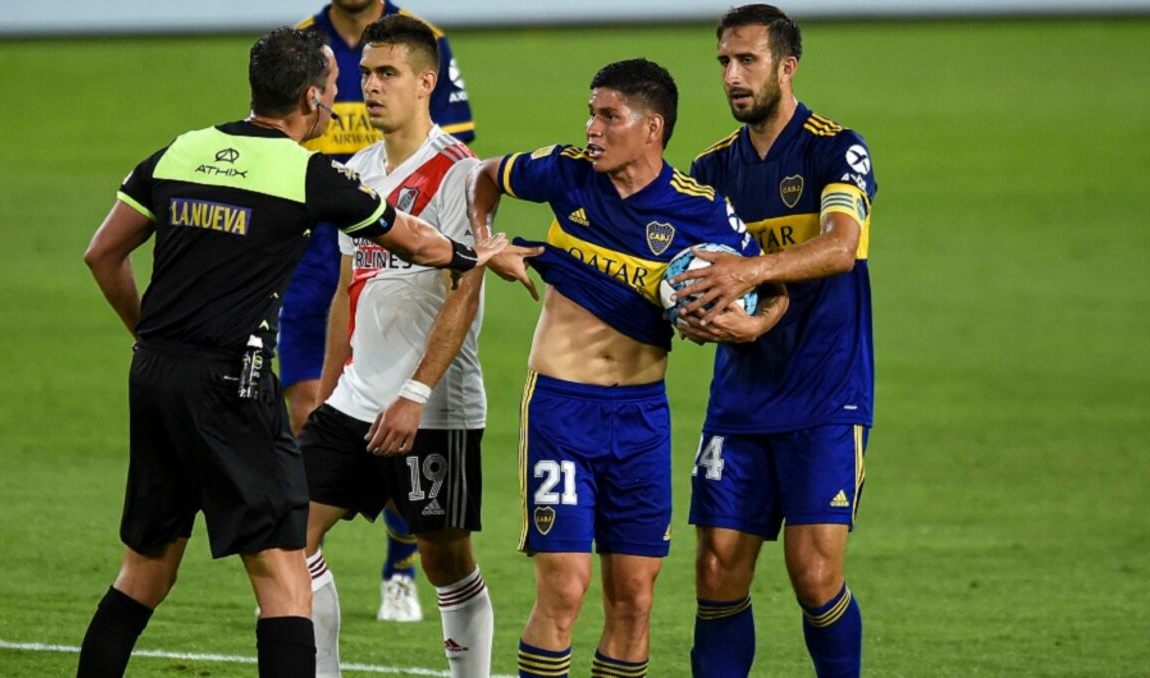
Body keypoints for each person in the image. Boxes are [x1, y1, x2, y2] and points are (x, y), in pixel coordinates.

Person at [76, 26, 502, 678]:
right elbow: (405, 252)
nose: (358, 92)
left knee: (145, 573)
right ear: (311, 96)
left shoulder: (182, 150)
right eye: (351, 80)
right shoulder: (324, 175)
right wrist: (482, 255)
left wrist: (148, 334)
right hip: (251, 389)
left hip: (163, 376)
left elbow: (102, 253)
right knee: (283, 568)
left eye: (383, 74)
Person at [469, 59, 785, 678]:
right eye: (591, 113)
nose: (592, 128)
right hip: (562, 408)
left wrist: (751, 325)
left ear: (652, 128)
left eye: (609, 116)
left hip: (641, 418)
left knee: (634, 602)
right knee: (564, 588)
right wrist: (488, 240)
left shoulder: (701, 211)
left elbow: (769, 282)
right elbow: (485, 175)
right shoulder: (565, 174)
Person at [672, 5, 879, 677]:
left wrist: (749, 272)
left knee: (814, 573)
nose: (732, 76)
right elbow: (690, 283)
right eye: (724, 63)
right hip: (740, 399)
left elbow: (841, 246)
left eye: (747, 61)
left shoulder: (834, 147)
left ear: (786, 67)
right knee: (715, 567)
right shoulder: (709, 168)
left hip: (826, 392)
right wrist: (699, 316)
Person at [295, 15, 495, 678]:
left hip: (434, 409)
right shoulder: (353, 172)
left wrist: (413, 396)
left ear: (426, 83)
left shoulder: (460, 174)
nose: (370, 88)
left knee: (445, 558)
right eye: (366, 74)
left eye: (387, 75)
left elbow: (464, 294)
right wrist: (327, 391)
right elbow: (349, 289)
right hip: (355, 401)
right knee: (289, 532)